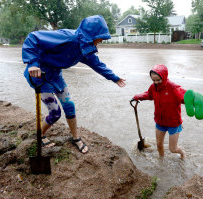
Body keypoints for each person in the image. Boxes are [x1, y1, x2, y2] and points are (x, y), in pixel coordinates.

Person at [22, 15, 126, 154]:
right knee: (55, 112)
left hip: (56, 76)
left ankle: (76, 138)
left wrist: (114, 78)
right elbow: (33, 37)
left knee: (69, 105)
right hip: (40, 75)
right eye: (100, 37)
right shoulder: (67, 37)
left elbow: (97, 65)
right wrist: (32, 63)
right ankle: (40, 134)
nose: (101, 40)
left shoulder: (85, 49)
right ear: (91, 35)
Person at [131, 64, 188, 159]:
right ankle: (161, 160)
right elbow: (149, 95)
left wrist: (193, 101)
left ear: (164, 77)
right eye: (153, 80)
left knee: (172, 149)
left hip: (173, 123)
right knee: (159, 145)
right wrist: (137, 96)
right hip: (160, 122)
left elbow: (185, 97)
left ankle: (182, 153)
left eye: (158, 80)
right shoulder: (153, 87)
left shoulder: (173, 88)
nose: (156, 82)